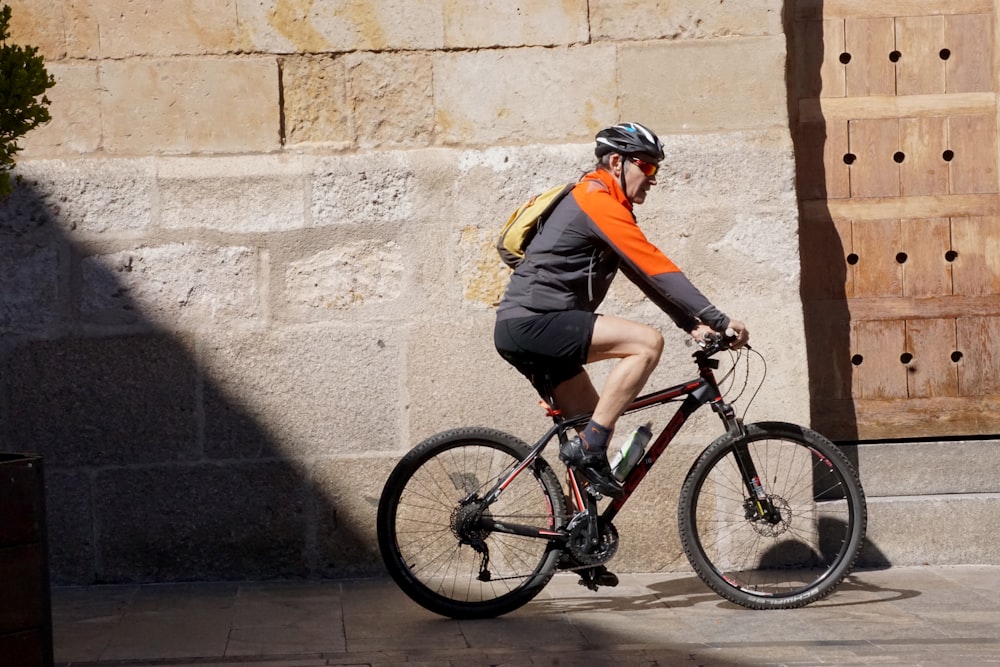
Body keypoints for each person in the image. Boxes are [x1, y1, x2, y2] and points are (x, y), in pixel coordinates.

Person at [493, 122, 749, 500]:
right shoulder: (595, 200)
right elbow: (655, 265)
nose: (652, 178)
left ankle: (576, 543)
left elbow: (642, 275)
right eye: (646, 167)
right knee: (646, 344)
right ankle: (590, 446)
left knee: (592, 427)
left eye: (655, 170)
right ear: (617, 161)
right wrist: (718, 317)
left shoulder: (603, 205)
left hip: (529, 326)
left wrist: (690, 323)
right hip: (534, 322)